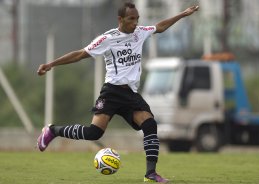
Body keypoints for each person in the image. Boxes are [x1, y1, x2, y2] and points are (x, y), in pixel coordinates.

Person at [37, 2, 199, 183]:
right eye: (131, 19)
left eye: (137, 19)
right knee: (94, 133)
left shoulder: (140, 32)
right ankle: (52, 131)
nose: (135, 23)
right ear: (120, 19)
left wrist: (183, 14)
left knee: (150, 125)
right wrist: (51, 64)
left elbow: (160, 26)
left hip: (130, 94)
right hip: (112, 93)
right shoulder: (107, 38)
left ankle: (150, 174)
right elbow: (80, 54)